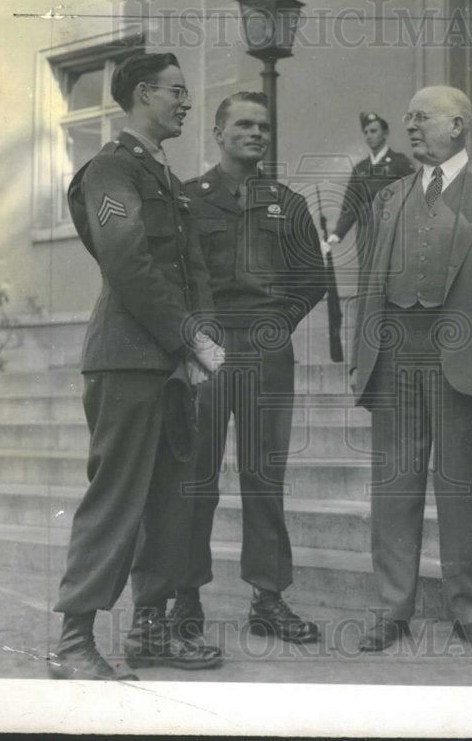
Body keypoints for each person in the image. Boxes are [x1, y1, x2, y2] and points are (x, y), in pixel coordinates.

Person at [48, 52, 225, 680]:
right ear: (144, 95)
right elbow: (126, 264)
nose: (185, 102)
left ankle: (149, 630)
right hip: (128, 359)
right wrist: (186, 339)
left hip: (174, 362)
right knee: (118, 498)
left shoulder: (166, 179)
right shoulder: (110, 171)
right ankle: (73, 643)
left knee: (171, 500)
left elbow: (194, 268)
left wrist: (201, 339)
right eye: (176, 91)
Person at [349, 86, 472, 654]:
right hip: (395, 361)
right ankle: (392, 608)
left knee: (460, 490)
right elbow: (370, 286)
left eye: (421, 117)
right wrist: (362, 358)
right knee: (393, 491)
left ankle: (469, 611)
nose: (409, 125)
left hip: (463, 362)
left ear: (457, 125)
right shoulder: (390, 198)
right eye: (406, 116)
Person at [171, 92, 327, 644]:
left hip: (265, 350)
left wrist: (280, 321)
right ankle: (185, 596)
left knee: (264, 479)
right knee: (196, 478)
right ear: (218, 132)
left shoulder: (286, 200)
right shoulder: (189, 199)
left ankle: (268, 597)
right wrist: (194, 334)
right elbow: (174, 276)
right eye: (244, 124)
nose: (256, 133)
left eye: (263, 125)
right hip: (208, 349)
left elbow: (314, 277)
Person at [326, 112, 414, 272]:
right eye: (366, 132)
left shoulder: (399, 163)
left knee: (392, 277)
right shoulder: (361, 169)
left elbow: (413, 199)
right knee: (368, 278)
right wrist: (336, 234)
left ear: (385, 134)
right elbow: (351, 204)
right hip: (366, 234)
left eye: (373, 131)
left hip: (392, 233)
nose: (369, 136)